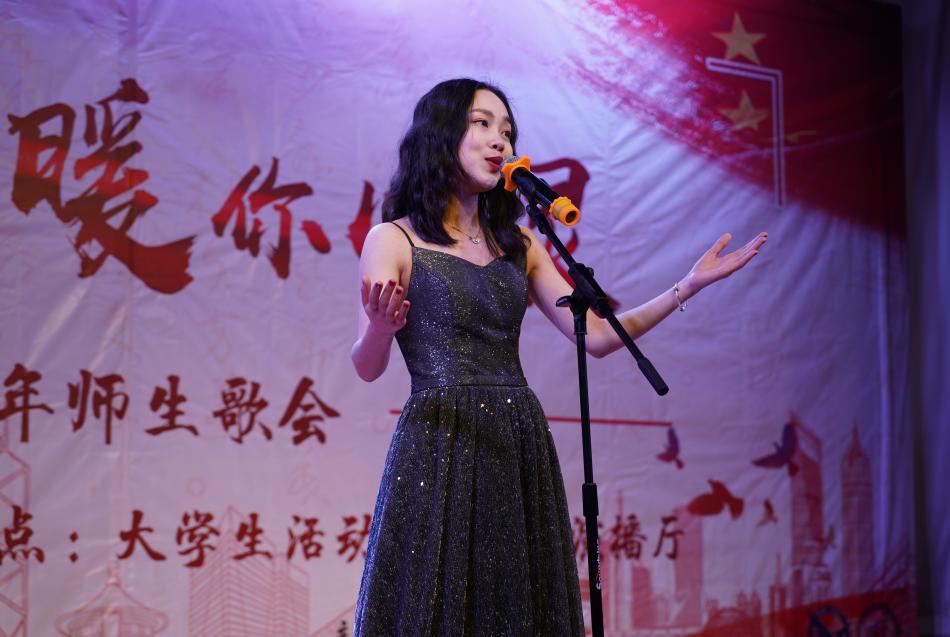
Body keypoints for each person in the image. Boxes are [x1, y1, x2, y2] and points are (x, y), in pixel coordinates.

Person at [351, 78, 767, 636]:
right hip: (439, 440)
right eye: (481, 124)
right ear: (439, 135)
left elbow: (597, 336)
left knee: (518, 603)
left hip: (516, 438)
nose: (499, 141)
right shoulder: (392, 239)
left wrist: (685, 287)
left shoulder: (520, 246)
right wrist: (380, 330)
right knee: (439, 601)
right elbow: (366, 366)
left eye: (507, 131)